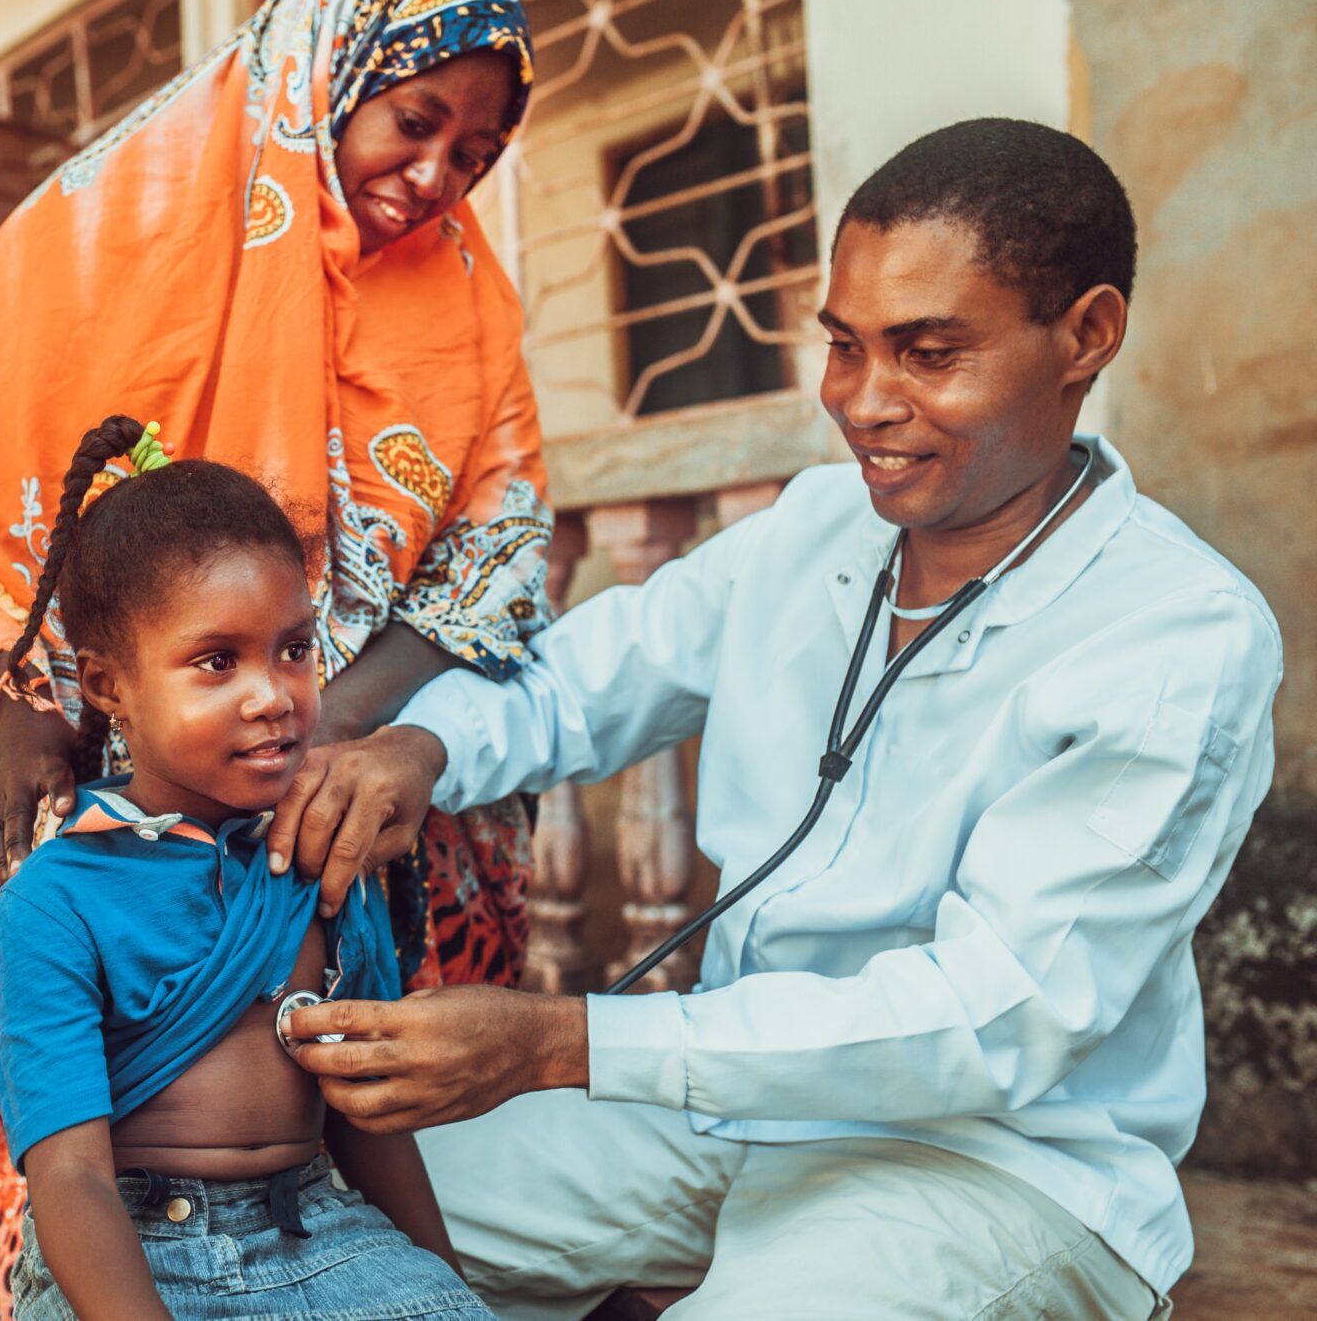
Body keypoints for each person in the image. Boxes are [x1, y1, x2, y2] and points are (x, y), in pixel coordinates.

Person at [270, 118, 1283, 1318]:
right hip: (718, 1109)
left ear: (1086, 335)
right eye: (843, 347)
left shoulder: (1176, 633)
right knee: (287, 1228)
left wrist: (559, 1044)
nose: (861, 403)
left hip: (994, 1167)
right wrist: (419, 748)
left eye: (925, 353)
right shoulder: (812, 527)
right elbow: (573, 680)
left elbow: (994, 1015)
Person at [0, 0, 552, 1312]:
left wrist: (329, 728)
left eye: (477, 151)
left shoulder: (472, 304)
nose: (437, 174)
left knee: (355, 1057)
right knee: (68, 1109)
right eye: (414, 120)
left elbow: (493, 549)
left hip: (333, 782)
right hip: (88, 745)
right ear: (335, 73)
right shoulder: (105, 230)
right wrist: (18, 709)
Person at [0, 416, 487, 1320]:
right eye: (217, 661)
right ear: (108, 685)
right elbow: (68, 1177)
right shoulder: (57, 898)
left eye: (294, 649)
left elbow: (366, 1115)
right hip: (125, 1258)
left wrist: (447, 1290)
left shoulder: (323, 856)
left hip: (322, 1233)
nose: (272, 695)